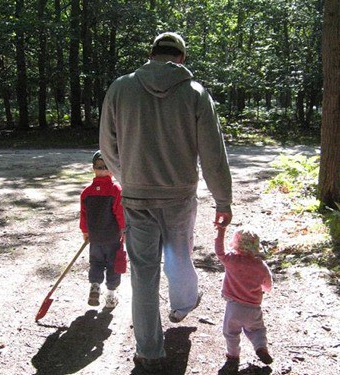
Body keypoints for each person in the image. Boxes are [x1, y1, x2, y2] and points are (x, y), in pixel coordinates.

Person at [99, 31, 232, 373]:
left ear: (152, 53)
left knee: (143, 274)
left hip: (137, 195)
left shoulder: (120, 88)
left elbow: (107, 144)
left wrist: (126, 177)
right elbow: (213, 152)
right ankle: (184, 303)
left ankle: (149, 352)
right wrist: (223, 200)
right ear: (181, 58)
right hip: (179, 196)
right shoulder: (195, 93)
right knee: (179, 253)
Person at [214, 226, 273, 374]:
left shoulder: (231, 260)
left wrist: (220, 232)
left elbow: (219, 252)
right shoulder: (260, 265)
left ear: (236, 244)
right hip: (253, 308)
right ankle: (261, 347)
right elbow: (268, 285)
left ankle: (233, 356)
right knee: (258, 330)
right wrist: (264, 288)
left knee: (231, 333)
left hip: (233, 307)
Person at [79, 150, 126, 309]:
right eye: (101, 166)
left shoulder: (86, 192)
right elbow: (120, 214)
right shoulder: (115, 190)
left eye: (104, 166)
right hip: (112, 238)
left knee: (96, 263)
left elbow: (83, 215)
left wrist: (85, 232)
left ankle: (95, 286)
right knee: (113, 265)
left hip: (95, 239)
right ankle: (111, 296)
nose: (104, 169)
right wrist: (124, 230)